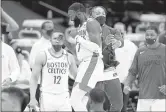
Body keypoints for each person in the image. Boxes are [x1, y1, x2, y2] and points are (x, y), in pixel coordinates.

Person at [66, 3, 104, 111]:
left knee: (74, 99)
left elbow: (97, 48)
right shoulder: (81, 27)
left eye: (71, 15)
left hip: (92, 61)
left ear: (79, 13)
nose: (70, 19)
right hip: (85, 63)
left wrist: (78, 39)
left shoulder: (91, 23)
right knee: (82, 100)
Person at [29, 30, 77, 111]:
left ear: (63, 41)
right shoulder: (42, 55)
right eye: (55, 38)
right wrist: (32, 98)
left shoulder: (69, 56)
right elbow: (34, 78)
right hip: (47, 95)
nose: (57, 40)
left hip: (64, 95)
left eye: (60, 38)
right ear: (50, 40)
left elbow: (77, 77)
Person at [124, 26, 166, 111]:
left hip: (161, 97)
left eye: (152, 35)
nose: (149, 37)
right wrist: (127, 84)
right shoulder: (140, 51)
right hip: (143, 97)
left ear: (157, 35)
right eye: (147, 35)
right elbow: (132, 72)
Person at [91, 6, 123, 111]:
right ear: (92, 15)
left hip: (109, 70)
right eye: (97, 12)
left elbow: (120, 42)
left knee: (118, 105)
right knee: (96, 105)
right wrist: (105, 43)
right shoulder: (86, 31)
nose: (101, 14)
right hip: (93, 71)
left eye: (103, 12)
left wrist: (117, 43)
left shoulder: (112, 30)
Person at [29, 20, 54, 102]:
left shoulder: (57, 44)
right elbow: (31, 64)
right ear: (43, 30)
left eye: (52, 28)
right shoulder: (37, 45)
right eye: (49, 28)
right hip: (41, 82)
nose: (52, 29)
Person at [115, 31, 138, 112]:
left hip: (124, 79)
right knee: (121, 106)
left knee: (121, 106)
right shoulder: (111, 45)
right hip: (119, 79)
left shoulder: (130, 45)